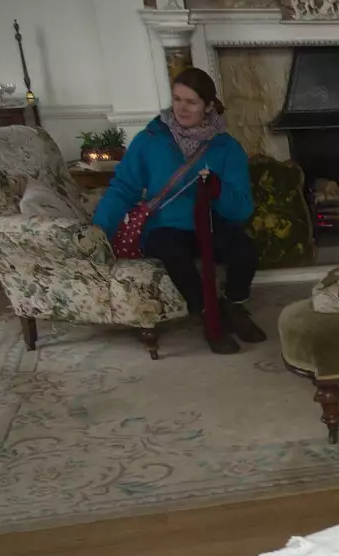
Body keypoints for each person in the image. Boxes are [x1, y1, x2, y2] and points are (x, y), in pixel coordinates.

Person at [91, 67, 265, 354]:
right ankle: (210, 316)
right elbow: (123, 188)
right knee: (174, 255)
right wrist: (98, 232)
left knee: (245, 251)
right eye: (177, 99)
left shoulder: (226, 147)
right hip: (165, 225)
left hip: (210, 222)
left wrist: (218, 189)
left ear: (209, 106)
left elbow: (242, 209)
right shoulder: (150, 139)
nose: (181, 108)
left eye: (191, 102)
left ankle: (232, 305)